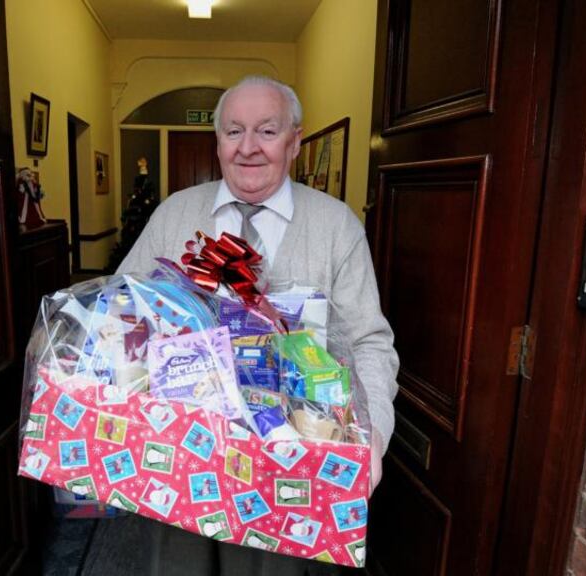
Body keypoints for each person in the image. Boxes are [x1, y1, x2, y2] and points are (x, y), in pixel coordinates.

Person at [116, 75, 399, 575]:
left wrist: (371, 437)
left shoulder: (337, 227)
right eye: (233, 131)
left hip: (291, 464)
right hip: (182, 459)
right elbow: (122, 311)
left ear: (294, 140)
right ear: (218, 140)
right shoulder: (173, 213)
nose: (248, 148)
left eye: (267, 132)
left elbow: (368, 343)